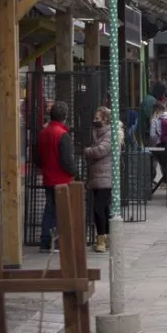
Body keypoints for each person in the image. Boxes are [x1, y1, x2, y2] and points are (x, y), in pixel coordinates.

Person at [35, 101, 76, 252]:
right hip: (62, 178)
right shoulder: (62, 135)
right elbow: (66, 160)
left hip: (48, 177)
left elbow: (37, 157)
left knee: (49, 209)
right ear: (64, 117)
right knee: (62, 211)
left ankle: (45, 241)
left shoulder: (42, 133)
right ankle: (58, 241)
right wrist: (74, 171)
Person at [84, 107, 122, 253]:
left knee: (98, 208)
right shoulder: (99, 133)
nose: (95, 120)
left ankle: (101, 238)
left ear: (106, 119)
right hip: (98, 176)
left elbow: (100, 150)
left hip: (106, 177)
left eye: (97, 117)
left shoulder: (110, 134)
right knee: (103, 208)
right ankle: (106, 237)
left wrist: (87, 151)